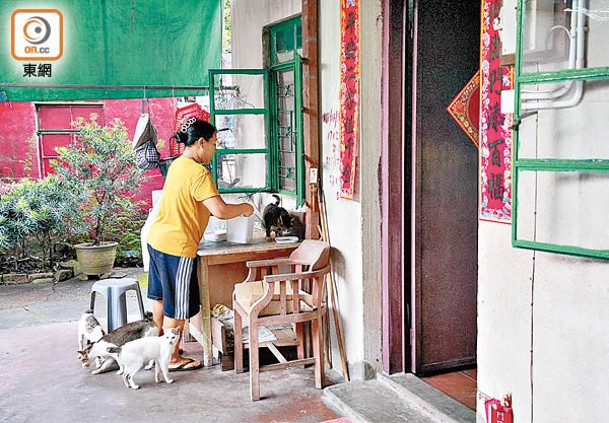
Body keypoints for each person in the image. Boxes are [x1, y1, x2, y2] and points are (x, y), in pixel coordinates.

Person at [146, 119, 254, 371]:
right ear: (201, 142)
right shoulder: (198, 172)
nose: (215, 150)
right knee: (178, 305)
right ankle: (171, 358)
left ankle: (157, 347)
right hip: (177, 246)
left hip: (157, 239)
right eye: (214, 144)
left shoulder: (177, 165)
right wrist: (246, 208)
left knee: (161, 297)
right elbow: (220, 210)